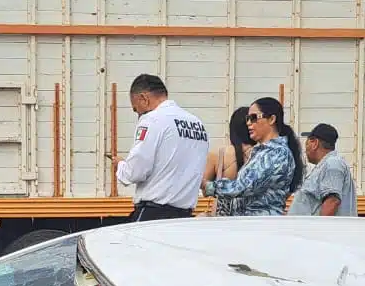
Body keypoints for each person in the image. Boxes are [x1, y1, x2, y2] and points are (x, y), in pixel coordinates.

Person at [114, 74, 209, 220]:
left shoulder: (152, 119)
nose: (138, 114)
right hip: (184, 216)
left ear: (143, 98)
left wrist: (120, 166)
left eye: (136, 109)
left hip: (153, 216)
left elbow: (135, 172)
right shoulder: (197, 124)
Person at [201, 97, 301, 216]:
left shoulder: (276, 153)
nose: (248, 123)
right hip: (250, 225)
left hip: (260, 226)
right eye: (247, 119)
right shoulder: (261, 152)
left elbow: (244, 186)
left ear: (271, 119)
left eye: (253, 118)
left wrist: (209, 186)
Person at [289, 123, 358, 216]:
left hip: (318, 230)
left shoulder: (332, 164)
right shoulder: (326, 165)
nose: (305, 149)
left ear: (315, 143)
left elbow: (332, 201)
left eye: (307, 143)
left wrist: (319, 229)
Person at [205, 107, 256, 217]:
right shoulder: (263, 154)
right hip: (253, 217)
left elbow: (205, 190)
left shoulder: (218, 154)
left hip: (223, 219)